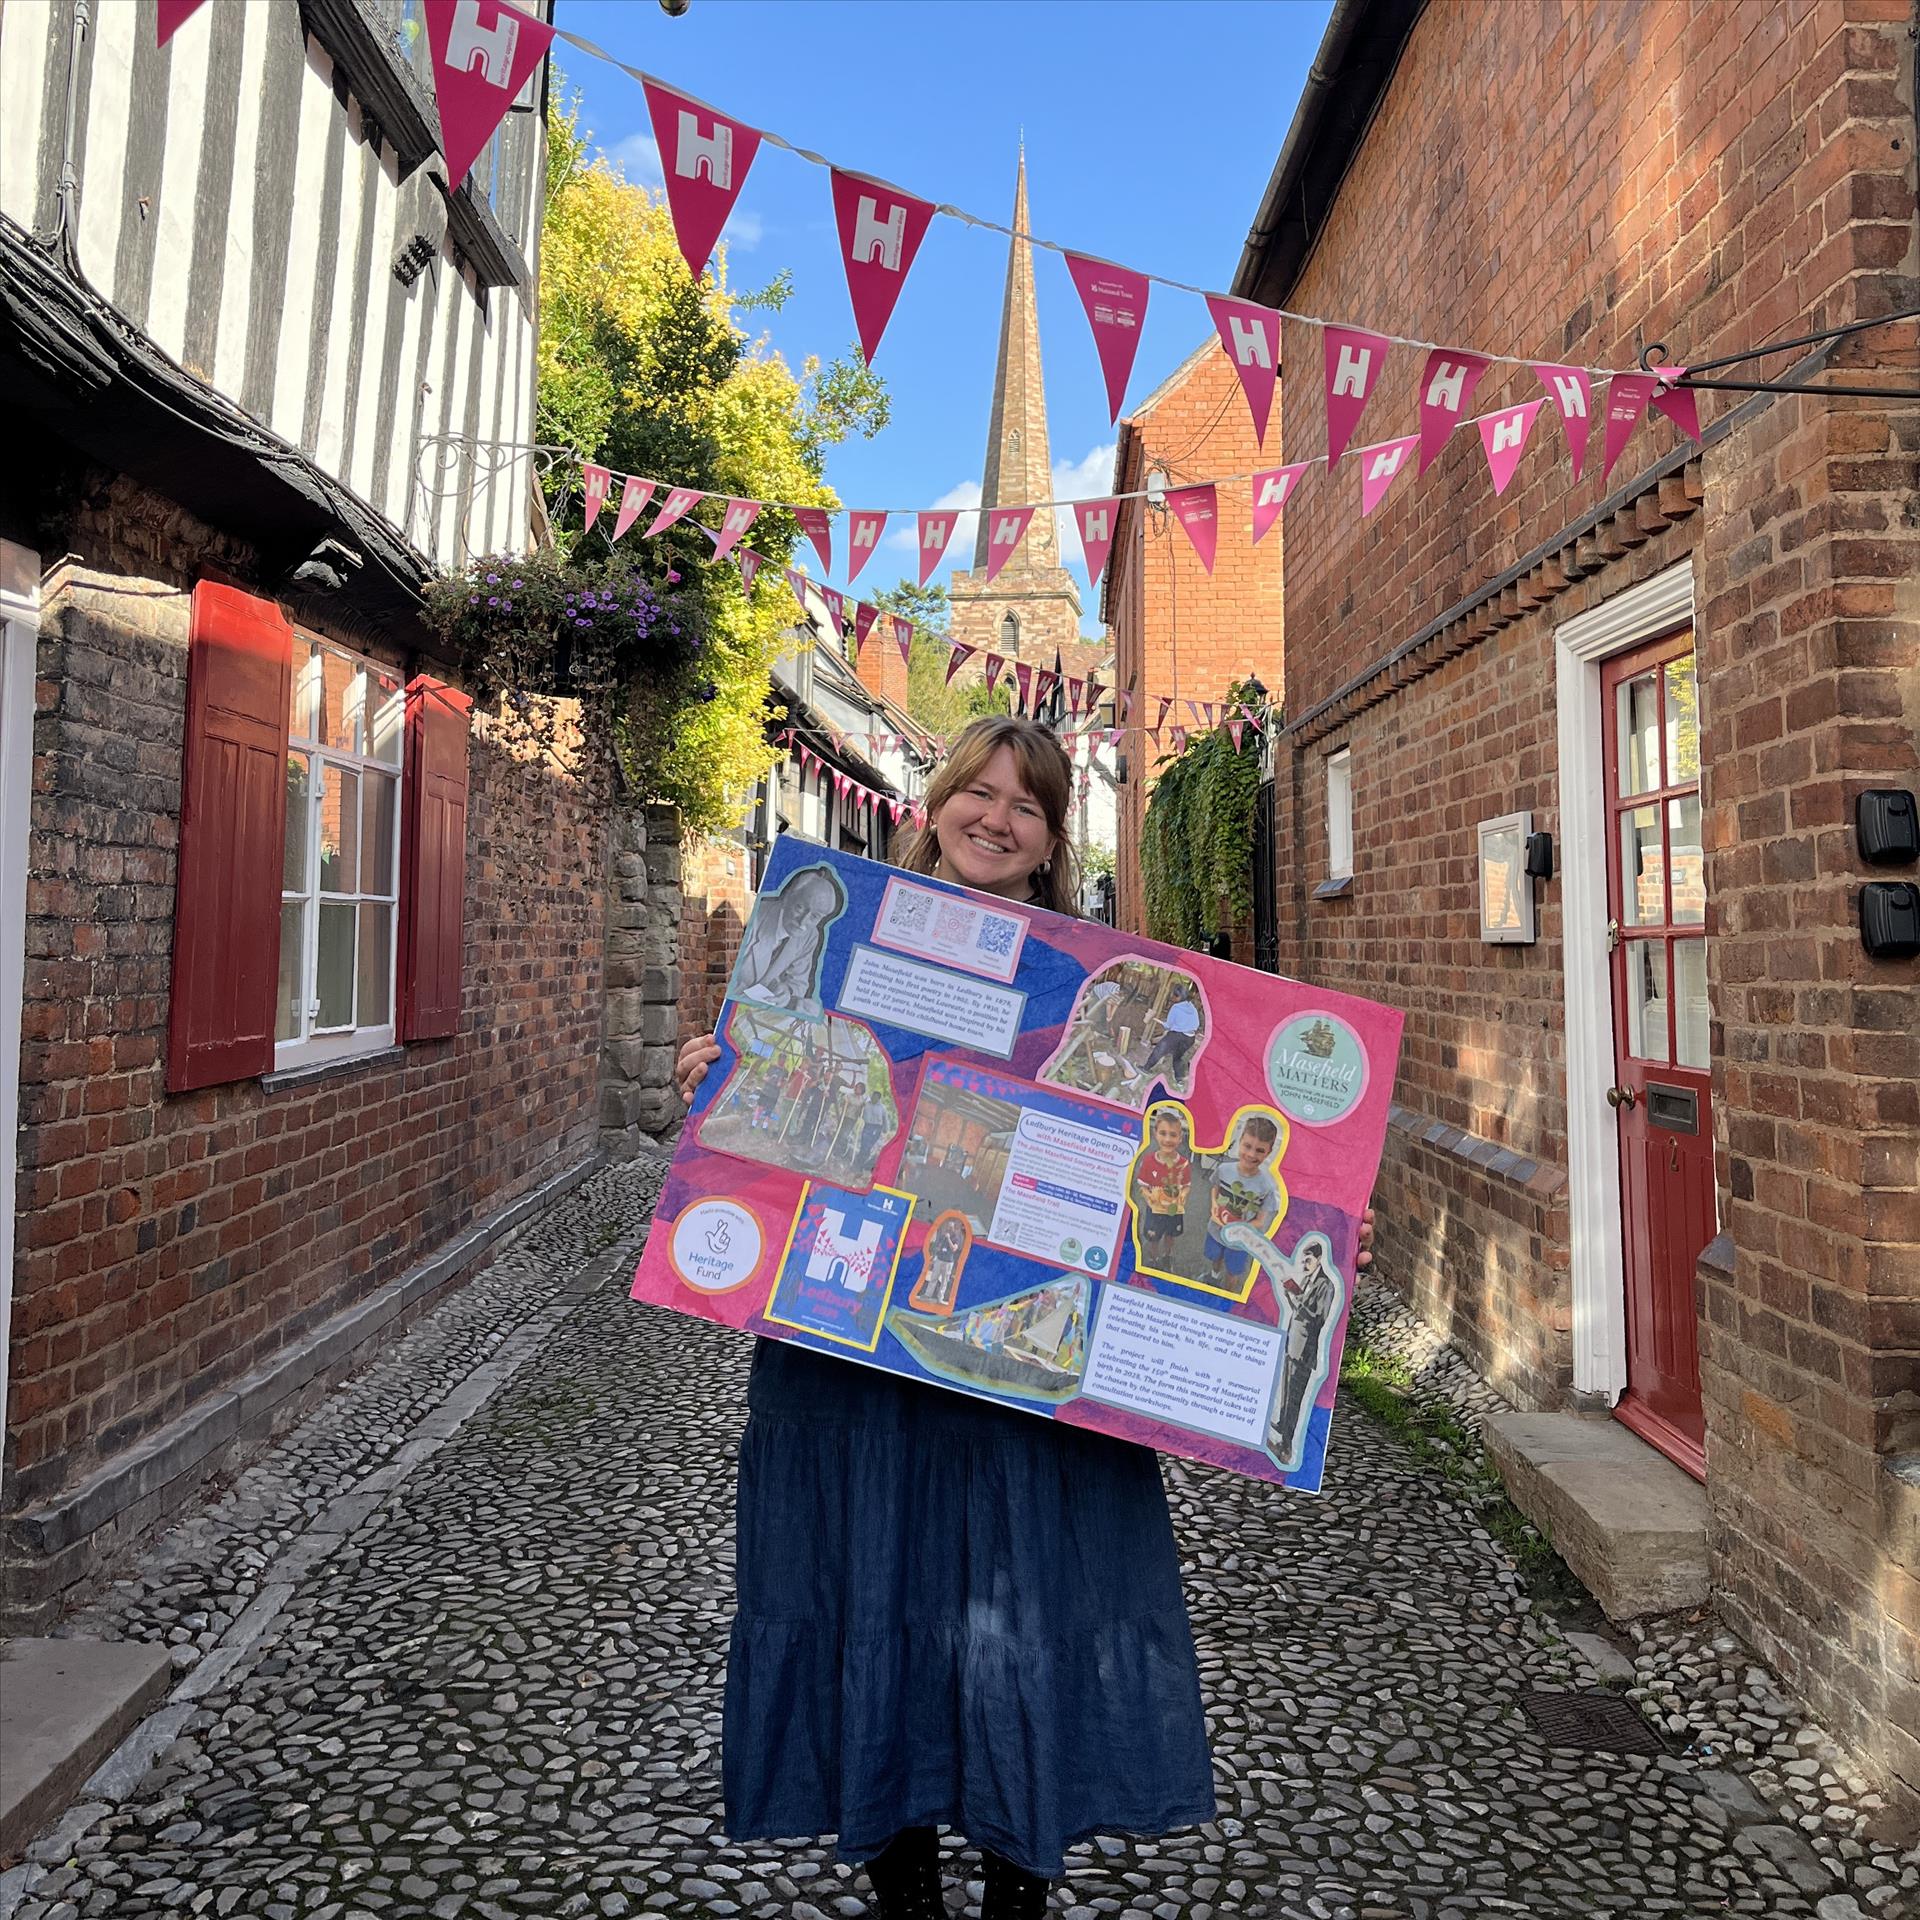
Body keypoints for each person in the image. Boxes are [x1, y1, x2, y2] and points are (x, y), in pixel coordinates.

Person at [674, 717, 1373, 1920]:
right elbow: (798, 1099)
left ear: (1053, 842)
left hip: (1030, 1368)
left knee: (1025, 1593)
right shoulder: (853, 938)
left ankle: (1019, 1870)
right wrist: (721, 1078)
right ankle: (899, 1870)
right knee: (870, 1577)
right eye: (978, 793)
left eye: (1028, 806)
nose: (996, 820)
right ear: (935, 801)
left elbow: (1183, 1165)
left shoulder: (1107, 982)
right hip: (857, 1355)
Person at [1267, 1237, 1344, 1466]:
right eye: (1303, 1260)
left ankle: (1286, 1447)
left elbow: (1319, 1318)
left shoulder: (1325, 1285)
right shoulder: (1309, 1280)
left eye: (1308, 1259)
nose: (1304, 1264)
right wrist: (1291, 1296)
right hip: (1293, 1344)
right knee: (1286, 1391)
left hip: (1304, 1351)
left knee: (1295, 1399)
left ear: (1319, 1259)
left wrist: (1296, 1299)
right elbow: (1299, 1312)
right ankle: (1281, 1430)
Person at [1203, 1114, 1283, 1289]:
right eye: (1247, 1146)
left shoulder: (1267, 1186)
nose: (1251, 1154)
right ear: (1240, 1142)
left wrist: (1237, 1227)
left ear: (1268, 1153)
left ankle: (1227, 1293)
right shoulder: (1224, 1169)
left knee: (1233, 1271)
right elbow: (1215, 1187)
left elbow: (1260, 1221)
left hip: (1240, 1241)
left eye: (1260, 1150)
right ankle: (1214, 1276)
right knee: (1215, 1256)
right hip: (1216, 1229)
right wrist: (1214, 1204)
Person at [1131, 1107, 1194, 1268]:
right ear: (1155, 1134)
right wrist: (1149, 1198)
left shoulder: (1183, 1164)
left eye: (1173, 1135)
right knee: (1153, 1237)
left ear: (1180, 1138)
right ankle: (1154, 1259)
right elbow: (1143, 1186)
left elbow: (1186, 1186)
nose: (1167, 1139)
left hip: (1173, 1209)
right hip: (1155, 1210)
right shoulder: (1148, 1161)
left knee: (1171, 1235)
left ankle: (1167, 1256)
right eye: (1163, 1133)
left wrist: (1183, 1195)